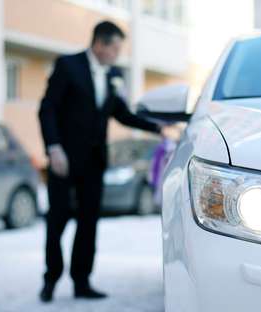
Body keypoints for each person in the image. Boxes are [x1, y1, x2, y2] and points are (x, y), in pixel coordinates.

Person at [38, 20, 167, 302]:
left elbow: (121, 113)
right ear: (99, 43)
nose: (117, 54)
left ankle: (82, 281)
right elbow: (47, 109)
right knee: (57, 220)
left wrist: (156, 127)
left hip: (94, 162)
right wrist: (53, 148)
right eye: (115, 48)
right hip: (64, 160)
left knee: (88, 222)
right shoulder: (68, 66)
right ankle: (50, 279)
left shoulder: (113, 75)